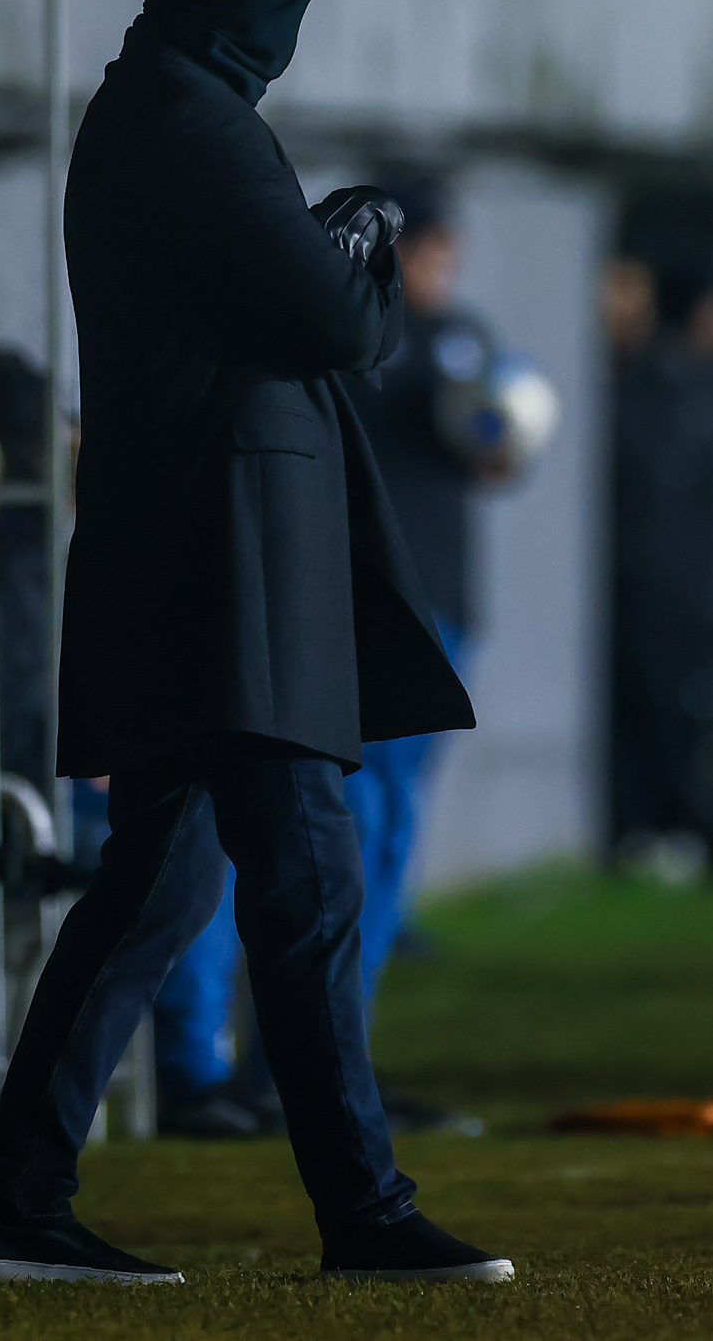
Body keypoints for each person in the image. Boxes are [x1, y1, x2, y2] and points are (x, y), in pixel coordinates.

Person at [0, 0, 509, 1286]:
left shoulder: (166, 109)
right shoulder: (189, 120)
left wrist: (332, 243)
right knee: (308, 885)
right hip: (231, 560)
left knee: (154, 891)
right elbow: (337, 323)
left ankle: (18, 1201)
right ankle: (366, 1213)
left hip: (191, 550)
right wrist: (362, 241)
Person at [150, 171, 505, 1140]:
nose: (438, 266)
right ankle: (221, 1068)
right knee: (277, 835)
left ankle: (324, 1055)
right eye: (423, 246)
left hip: (421, 607)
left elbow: (491, 441)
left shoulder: (451, 335)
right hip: (336, 609)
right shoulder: (320, 333)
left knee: (374, 833)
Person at [608, 263, 713, 865]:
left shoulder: (702, 392)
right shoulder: (649, 389)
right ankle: (649, 829)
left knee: (687, 705)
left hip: (688, 585)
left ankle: (676, 827)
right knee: (652, 703)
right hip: (650, 583)